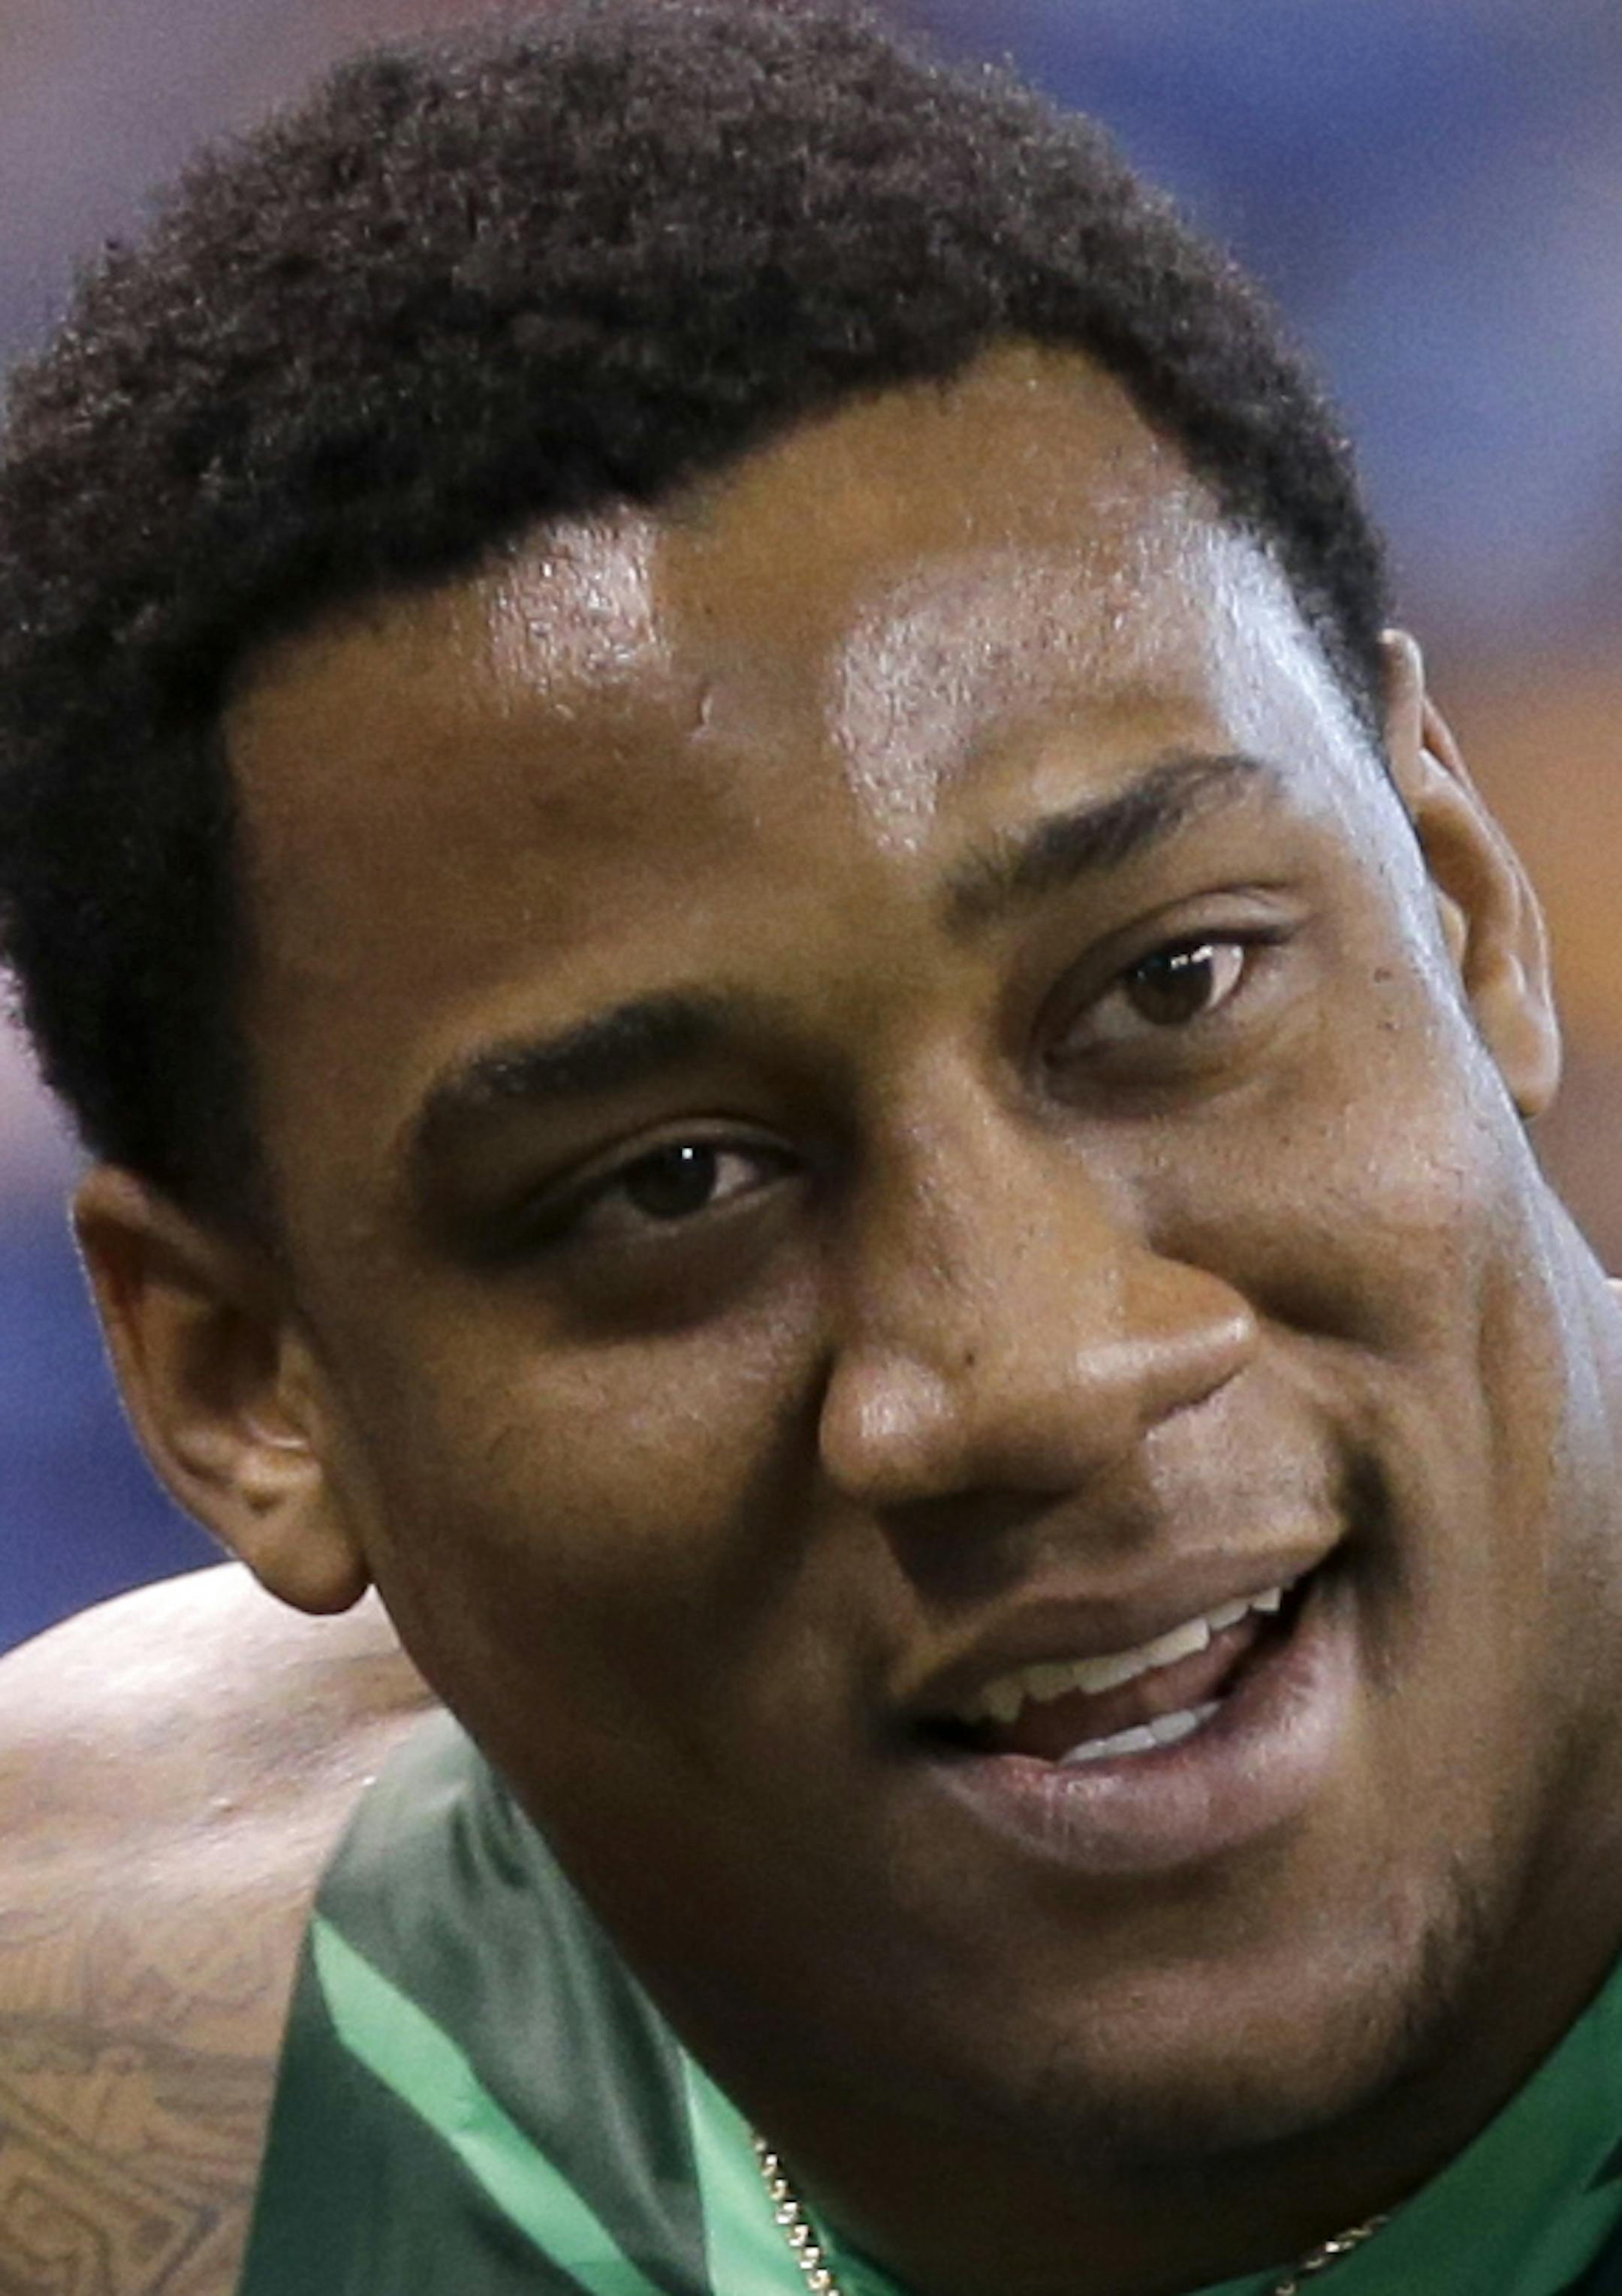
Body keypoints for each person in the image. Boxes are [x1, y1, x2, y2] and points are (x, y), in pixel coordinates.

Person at [3, 4, 1621, 2291]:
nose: (1040, 1368)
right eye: (671, 1181)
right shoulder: (108, 2049)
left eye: (1174, 987)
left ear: (1463, 911)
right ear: (241, 1388)